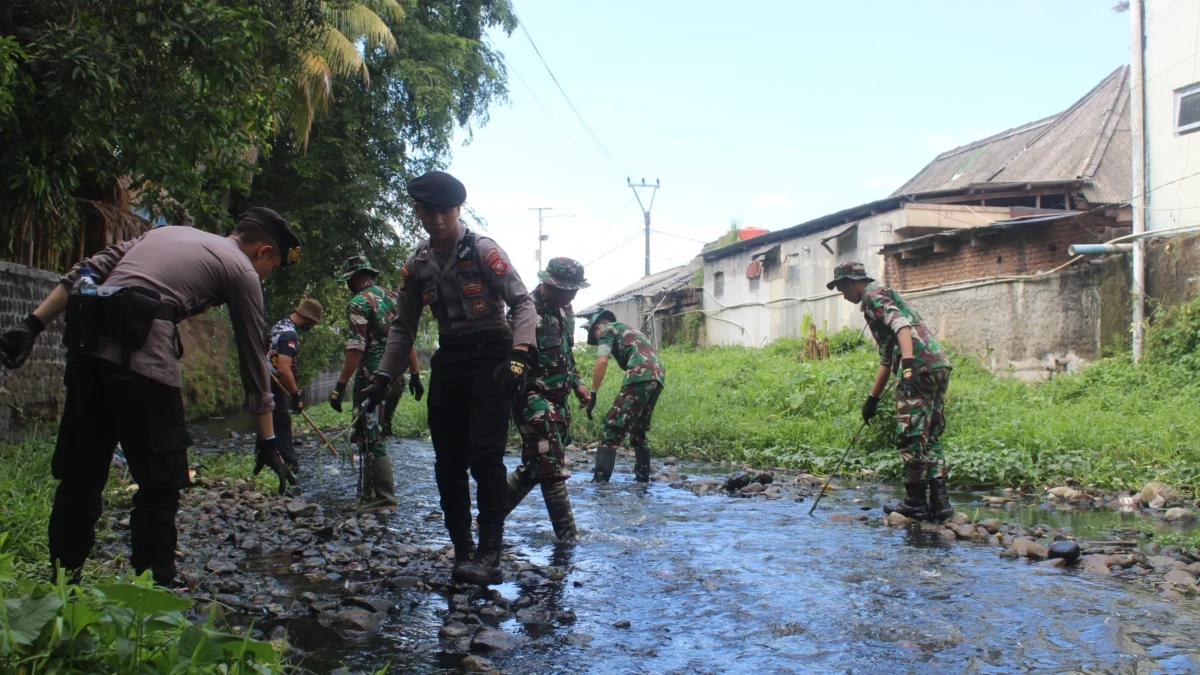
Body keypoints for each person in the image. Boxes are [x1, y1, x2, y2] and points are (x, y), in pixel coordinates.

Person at [0, 208, 302, 587]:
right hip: (145, 363)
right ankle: (154, 588)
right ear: (263, 251)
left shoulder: (165, 232)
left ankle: (63, 585)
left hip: (88, 353)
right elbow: (253, 358)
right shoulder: (241, 270)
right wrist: (268, 438)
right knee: (161, 484)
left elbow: (88, 268)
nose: (265, 274)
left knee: (79, 480)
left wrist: (32, 324)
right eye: (271, 265)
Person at [360, 170, 536, 586]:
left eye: (446, 211)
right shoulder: (417, 265)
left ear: (459, 210)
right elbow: (402, 327)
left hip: (493, 354)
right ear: (418, 211)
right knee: (448, 461)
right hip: (451, 358)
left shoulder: (483, 250)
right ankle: (463, 551)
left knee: (485, 455)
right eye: (429, 211)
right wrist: (383, 377)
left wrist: (518, 357)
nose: (438, 219)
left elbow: (523, 303)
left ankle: (490, 552)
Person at [827, 261, 954, 522]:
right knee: (930, 434)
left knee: (911, 434)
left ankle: (915, 501)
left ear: (851, 282)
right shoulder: (880, 296)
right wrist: (871, 400)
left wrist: (907, 368)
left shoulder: (872, 296)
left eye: (841, 289)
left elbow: (901, 327)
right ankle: (940, 503)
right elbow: (886, 360)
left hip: (917, 365)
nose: (843, 295)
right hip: (937, 364)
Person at [501, 257, 592, 540]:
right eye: (565, 289)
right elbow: (506, 359)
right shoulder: (523, 312)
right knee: (550, 466)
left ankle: (489, 517)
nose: (571, 295)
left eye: (574, 289)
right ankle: (568, 536)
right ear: (547, 283)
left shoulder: (566, 311)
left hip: (559, 398)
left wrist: (576, 383)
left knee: (535, 466)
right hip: (532, 398)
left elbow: (566, 353)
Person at [328, 255, 422, 511]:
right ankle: (368, 496)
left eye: (348, 281)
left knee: (370, 434)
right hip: (396, 378)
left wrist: (340, 385)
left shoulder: (359, 302)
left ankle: (382, 499)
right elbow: (407, 338)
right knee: (373, 433)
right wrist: (415, 374)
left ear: (356, 278)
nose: (348, 286)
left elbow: (355, 348)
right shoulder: (394, 297)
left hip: (372, 378)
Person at [585, 310, 666, 483]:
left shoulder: (607, 329)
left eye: (595, 335)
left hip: (640, 373)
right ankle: (643, 480)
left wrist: (593, 392)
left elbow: (602, 360)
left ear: (598, 326)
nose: (598, 339)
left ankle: (600, 482)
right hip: (658, 375)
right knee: (638, 428)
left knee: (614, 424)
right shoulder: (634, 332)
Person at [266, 298, 323, 475]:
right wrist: (295, 394)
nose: (311, 327)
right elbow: (284, 367)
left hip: (265, 382)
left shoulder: (279, 325)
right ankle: (290, 468)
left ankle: (269, 462)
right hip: (274, 385)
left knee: (271, 424)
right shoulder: (290, 334)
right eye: (312, 323)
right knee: (282, 424)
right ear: (307, 318)